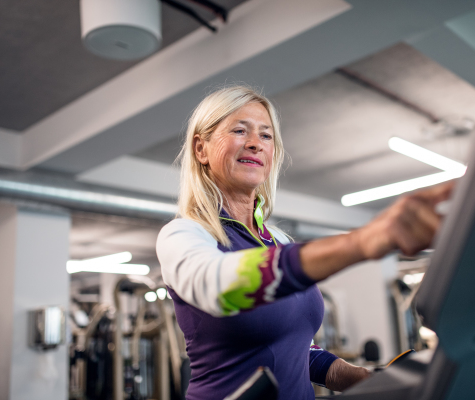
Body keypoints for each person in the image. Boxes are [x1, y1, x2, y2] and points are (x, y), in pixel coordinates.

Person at [156, 85, 453, 400]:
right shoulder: (183, 234)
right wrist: (361, 242)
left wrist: (366, 381)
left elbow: (299, 349)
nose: (255, 143)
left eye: (266, 135)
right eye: (240, 131)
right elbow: (220, 286)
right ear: (201, 149)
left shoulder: (279, 241)